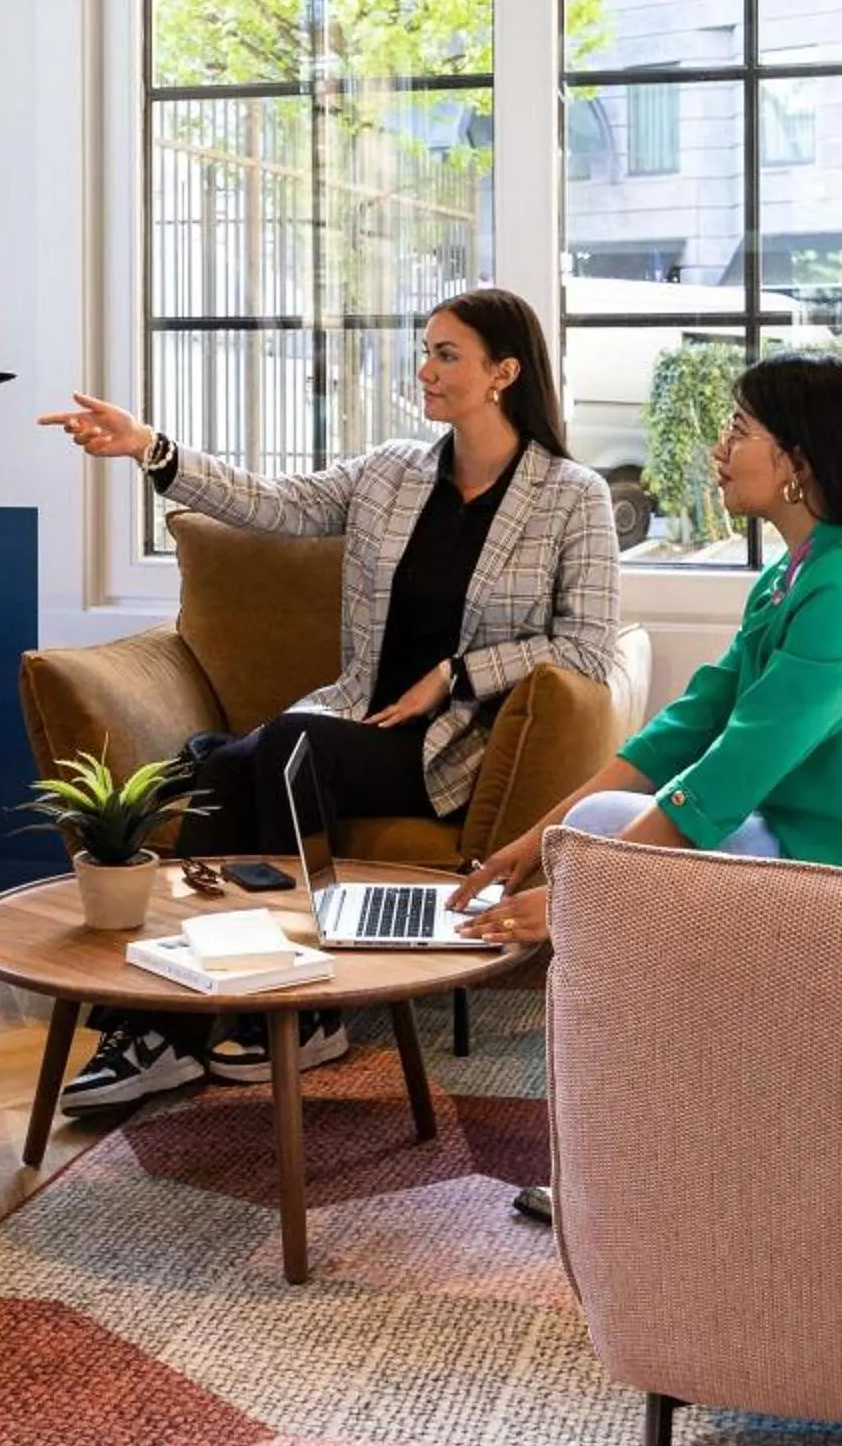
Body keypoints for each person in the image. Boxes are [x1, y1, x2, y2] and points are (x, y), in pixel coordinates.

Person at [448, 348, 842, 1222]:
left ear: (798, 459)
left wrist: (584, 897)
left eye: (739, 429)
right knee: (605, 819)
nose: (718, 449)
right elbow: (687, 728)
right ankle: (624, 1156)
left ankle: (632, 1170)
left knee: (628, 888)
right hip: (821, 845)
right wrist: (536, 843)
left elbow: (740, 764)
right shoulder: (791, 576)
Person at [38, 287, 622, 1112]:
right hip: (354, 716)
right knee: (237, 768)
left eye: (447, 354)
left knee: (260, 755)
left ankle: (209, 1025)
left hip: (446, 747)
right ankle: (190, 1021)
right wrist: (150, 447)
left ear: (504, 372)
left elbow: (588, 645)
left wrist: (455, 676)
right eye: (426, 349)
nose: (425, 368)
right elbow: (272, 504)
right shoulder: (390, 473)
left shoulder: (572, 496)